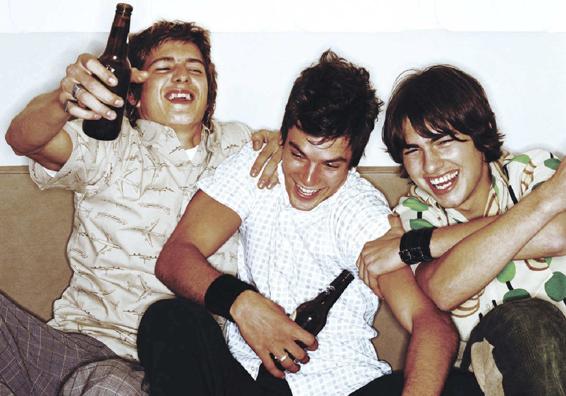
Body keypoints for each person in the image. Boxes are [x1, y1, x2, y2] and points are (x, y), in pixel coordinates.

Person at [136, 50, 482, 396]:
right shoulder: (257, 167)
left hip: (341, 386)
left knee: (461, 389)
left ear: (352, 165)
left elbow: (432, 325)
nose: (309, 178)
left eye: (331, 165)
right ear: (283, 137)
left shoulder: (361, 212)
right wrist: (243, 305)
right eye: (298, 154)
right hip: (246, 380)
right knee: (167, 321)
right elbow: (175, 258)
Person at [3, 20, 280, 395]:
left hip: (172, 365)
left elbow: (315, 162)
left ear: (209, 90)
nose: (181, 76)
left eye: (194, 70)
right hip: (79, 343)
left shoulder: (240, 149)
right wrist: (64, 97)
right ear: (131, 94)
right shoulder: (107, 143)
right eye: (164, 68)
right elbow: (24, 139)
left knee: (111, 387)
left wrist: (288, 145)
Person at [363, 64, 566, 395]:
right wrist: (542, 206)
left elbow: (560, 233)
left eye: (443, 142)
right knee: (528, 323)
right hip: (493, 375)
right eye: (413, 150)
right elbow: (444, 287)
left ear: (479, 135)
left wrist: (430, 244)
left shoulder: (533, 171)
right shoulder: (413, 216)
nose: (430, 166)